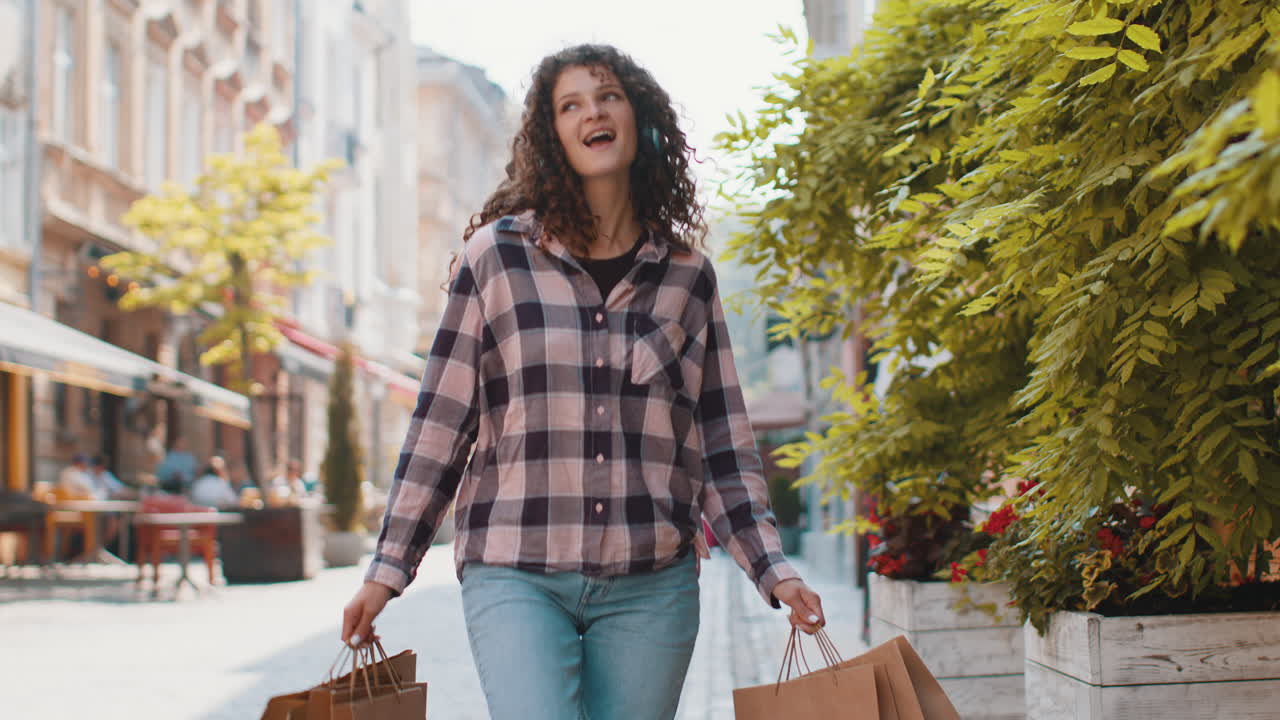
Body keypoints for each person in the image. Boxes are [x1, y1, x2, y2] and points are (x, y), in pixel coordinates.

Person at [341, 44, 825, 720]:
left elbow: (720, 443)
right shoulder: (497, 259)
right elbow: (441, 425)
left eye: (607, 96)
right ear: (552, 134)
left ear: (639, 118)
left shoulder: (686, 276)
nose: (592, 113)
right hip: (515, 571)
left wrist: (775, 569)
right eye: (571, 104)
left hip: (650, 584)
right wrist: (388, 570)